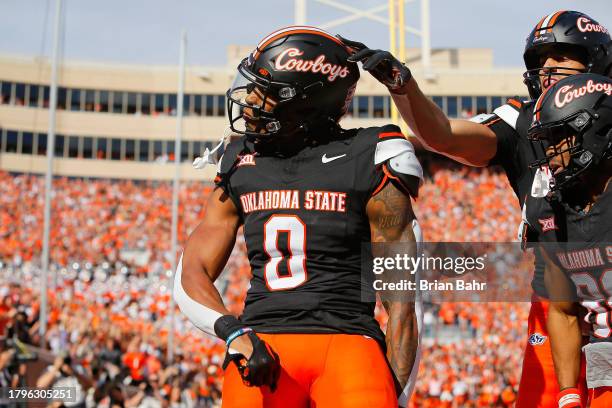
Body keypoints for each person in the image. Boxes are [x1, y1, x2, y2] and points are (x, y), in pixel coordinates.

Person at [341, 10, 611, 407]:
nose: (547, 69)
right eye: (539, 61)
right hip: (562, 294)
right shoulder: (524, 120)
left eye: (560, 57)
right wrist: (403, 86)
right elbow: (443, 136)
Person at [174, 26, 423, 408]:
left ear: (303, 101)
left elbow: (403, 299)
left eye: (265, 90)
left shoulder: (371, 152)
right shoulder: (240, 158)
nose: (250, 100)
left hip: (348, 345)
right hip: (261, 344)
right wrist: (231, 331)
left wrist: (397, 396)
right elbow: (191, 272)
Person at [523, 73, 612, 408]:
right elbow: (562, 309)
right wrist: (568, 392)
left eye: (561, 136)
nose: (551, 151)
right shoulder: (553, 208)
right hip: (604, 367)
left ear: (597, 129)